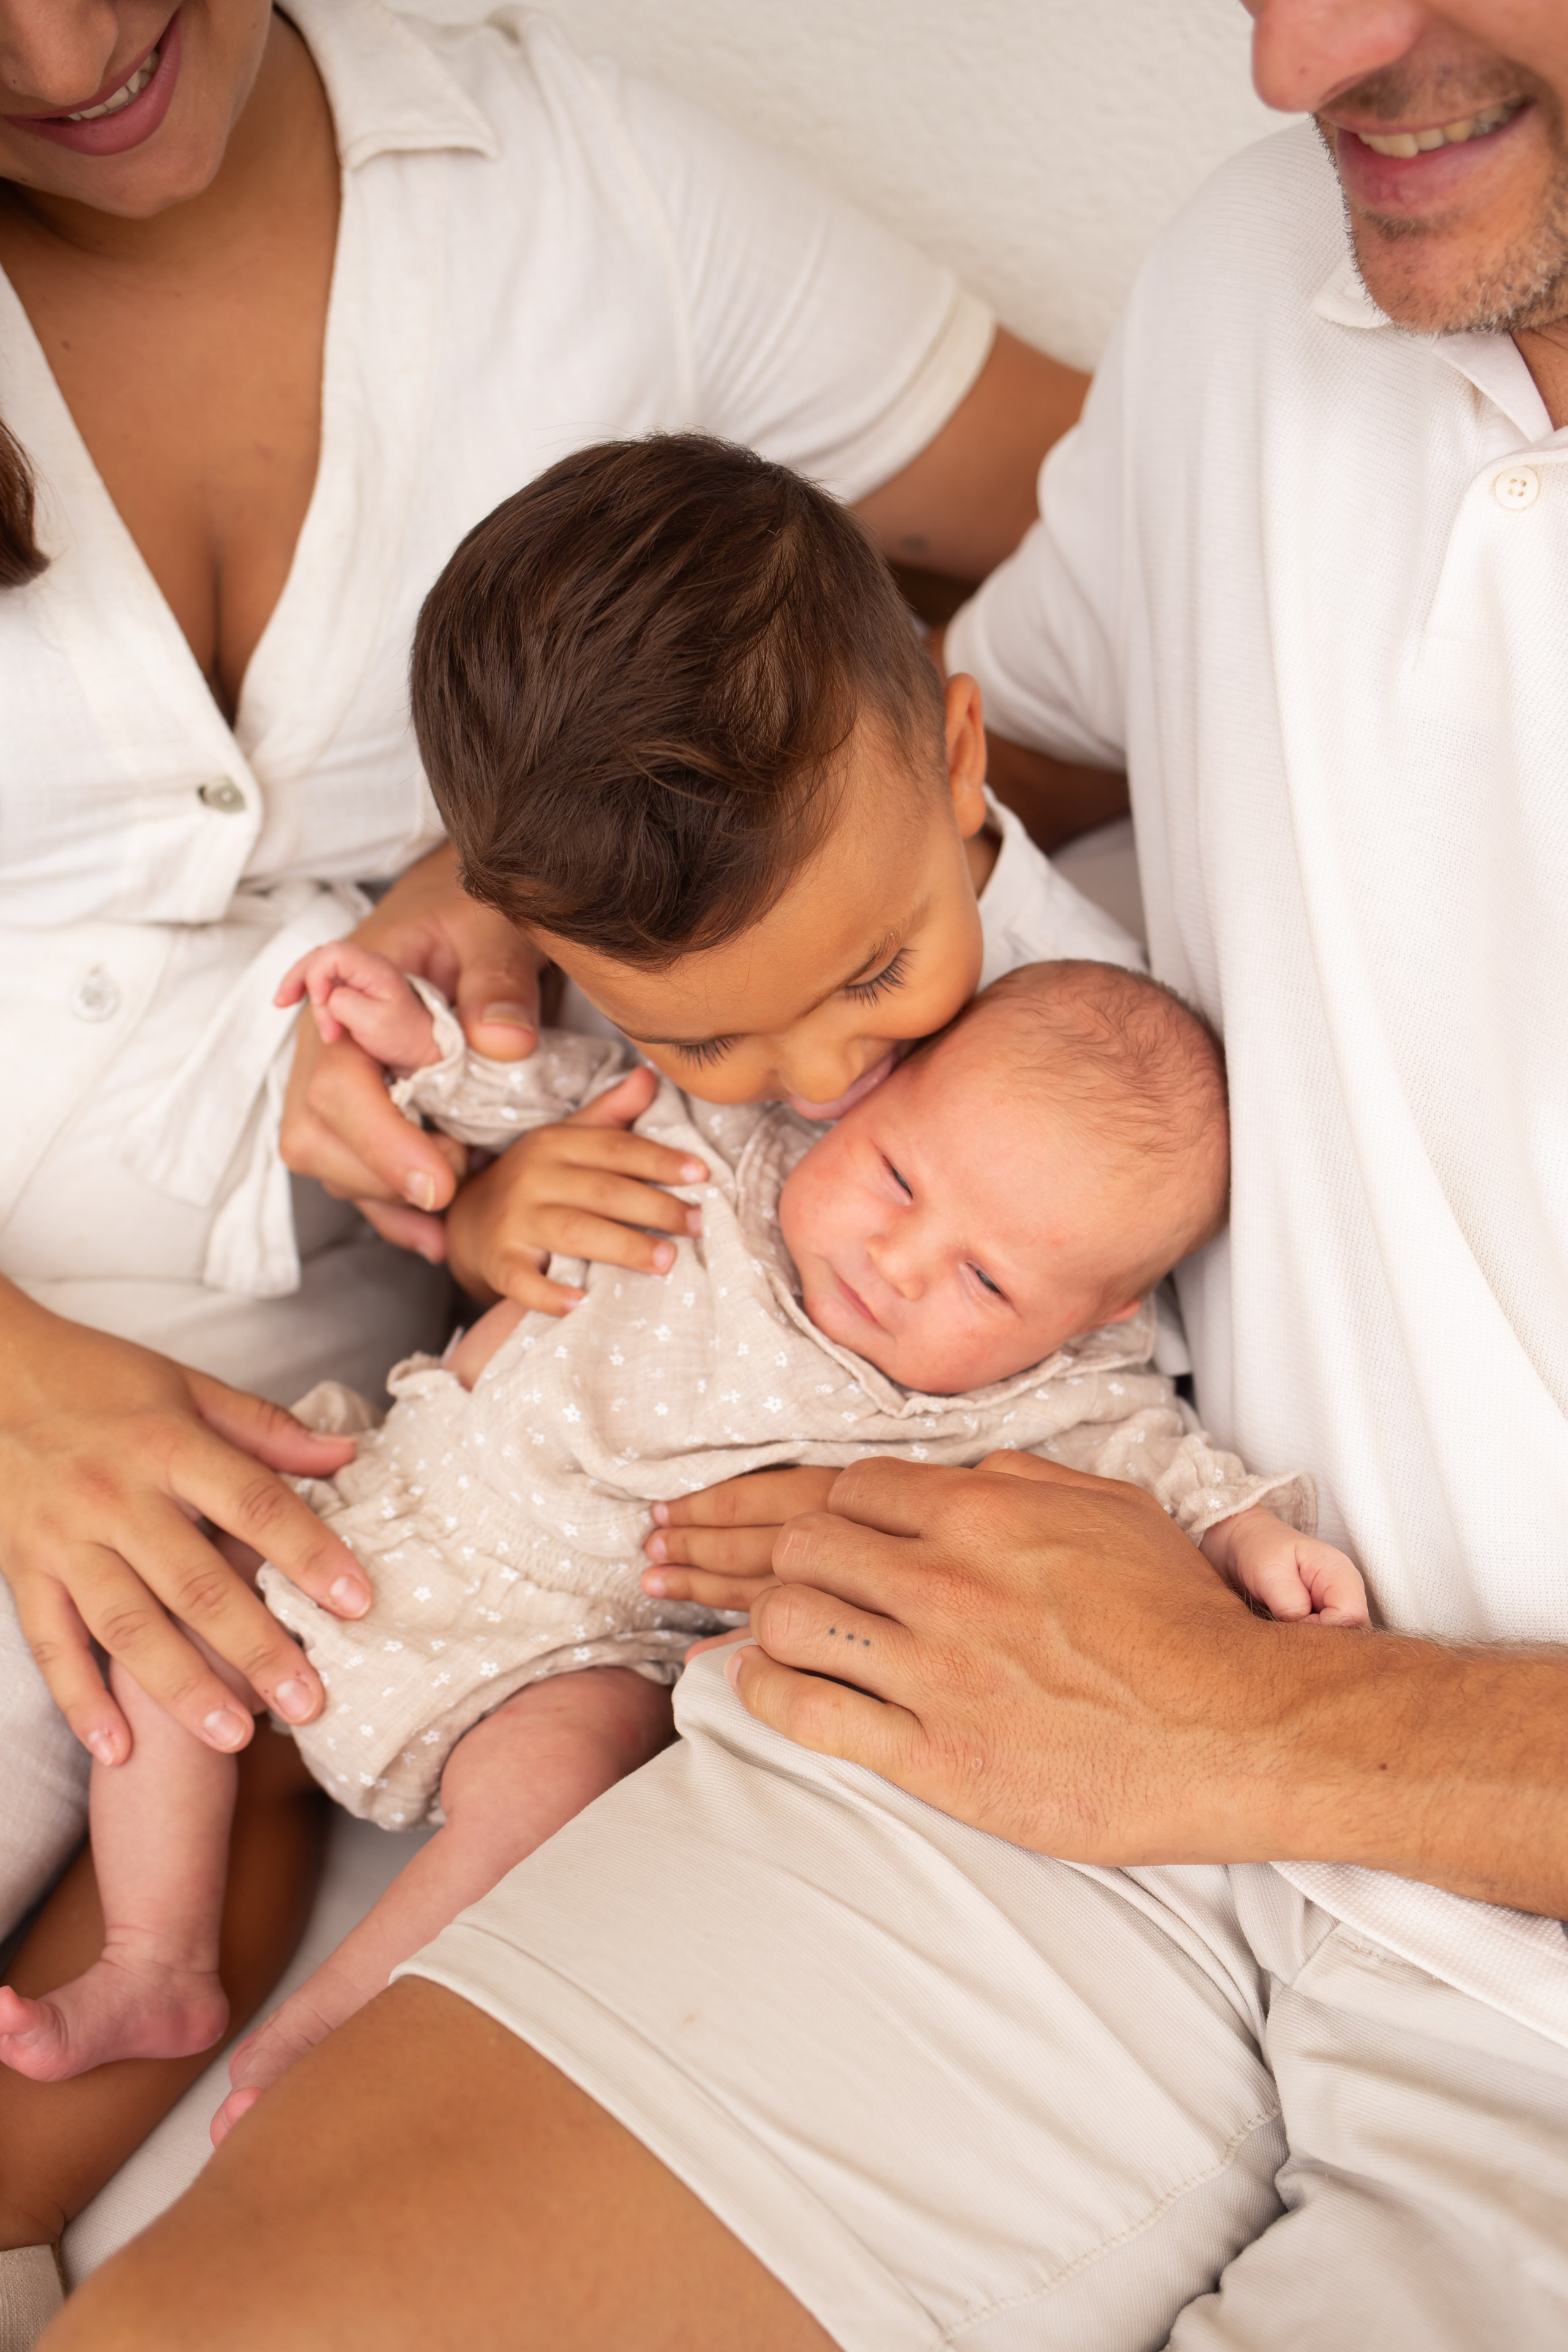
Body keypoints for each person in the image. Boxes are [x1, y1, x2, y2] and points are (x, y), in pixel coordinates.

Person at [47, 2, 1568, 2347]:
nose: (1300, 59)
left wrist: (1261, 1720)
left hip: (1368, 1790)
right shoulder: (1287, 266)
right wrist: (528, 899)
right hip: (979, 1692)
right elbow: (974, 740)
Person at [0, 0, 1101, 2304]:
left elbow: (1132, 605)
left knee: (225, 1702)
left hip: (289, 1438)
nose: (70, 49)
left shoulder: (584, 195)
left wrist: (592, 874)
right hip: (69, 1393)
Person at [2, 951, 1367, 2141]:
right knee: (169, 1601)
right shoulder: (710, 1139)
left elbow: (1155, 1467)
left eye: (986, 1278)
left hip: (563, 1654)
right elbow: (545, 1095)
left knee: (576, 1772)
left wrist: (1246, 1536)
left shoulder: (1048, 1392)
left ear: (1095, 1317)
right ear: (870, 1095)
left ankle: (336, 2024)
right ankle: (155, 1957)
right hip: (373, 1515)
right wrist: (424, 1046)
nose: (898, 1259)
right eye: (898, 1178)